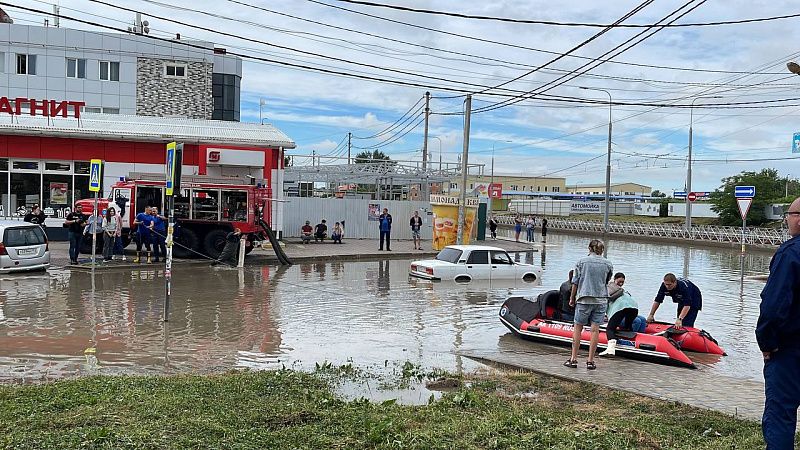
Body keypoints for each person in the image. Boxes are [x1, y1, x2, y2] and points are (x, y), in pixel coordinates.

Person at [757, 197, 800, 449]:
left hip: (789, 350)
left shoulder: (791, 253)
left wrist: (767, 342)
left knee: (781, 416)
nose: (787, 219)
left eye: (788, 214)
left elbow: (773, 306)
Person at [565, 239, 613, 371]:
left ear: (589, 248)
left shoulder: (581, 262)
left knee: (578, 328)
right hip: (601, 299)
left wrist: (572, 298)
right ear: (602, 250)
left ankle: (573, 359)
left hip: (584, 299)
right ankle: (590, 361)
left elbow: (575, 282)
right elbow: (606, 280)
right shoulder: (608, 264)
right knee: (595, 330)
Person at [601, 273, 642, 356]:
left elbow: (603, 304)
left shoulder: (607, 288)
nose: (621, 283)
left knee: (610, 329)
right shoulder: (623, 292)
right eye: (620, 281)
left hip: (621, 308)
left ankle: (611, 350)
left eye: (622, 282)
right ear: (614, 279)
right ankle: (629, 344)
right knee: (628, 328)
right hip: (634, 307)